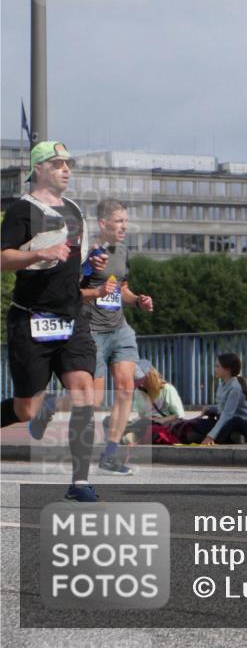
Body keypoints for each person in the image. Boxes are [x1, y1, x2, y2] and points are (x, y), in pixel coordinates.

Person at [0, 141, 104, 502]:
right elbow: (2, 258)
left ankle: (80, 482)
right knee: (25, 407)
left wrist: (93, 269)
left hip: (71, 318)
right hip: (31, 320)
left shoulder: (74, 210)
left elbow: (76, 266)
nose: (66, 169)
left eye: (68, 163)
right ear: (39, 169)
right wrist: (39, 253)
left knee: (83, 394)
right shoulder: (21, 211)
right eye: (58, 163)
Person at [71, 199, 153, 476]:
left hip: (120, 329)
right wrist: (95, 292)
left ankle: (110, 454)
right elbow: (69, 292)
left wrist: (137, 300)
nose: (124, 227)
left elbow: (122, 288)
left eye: (126, 222)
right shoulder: (87, 253)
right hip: (91, 330)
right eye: (119, 221)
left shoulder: (123, 252)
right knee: (91, 401)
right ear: (103, 223)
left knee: (126, 387)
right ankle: (49, 405)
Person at [121, 360, 185, 444]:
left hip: (162, 424)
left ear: (150, 376)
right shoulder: (139, 391)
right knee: (112, 422)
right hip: (145, 422)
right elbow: (142, 414)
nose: (139, 383)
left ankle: (135, 439)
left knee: (150, 429)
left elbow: (179, 414)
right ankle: (131, 438)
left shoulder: (167, 389)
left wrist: (162, 420)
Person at [201, 353, 247, 445]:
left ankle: (231, 437)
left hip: (245, 427)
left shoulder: (235, 388)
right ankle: (233, 437)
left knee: (234, 422)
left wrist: (209, 437)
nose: (215, 369)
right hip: (228, 422)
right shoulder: (222, 386)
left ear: (227, 369)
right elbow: (222, 408)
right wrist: (210, 408)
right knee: (201, 424)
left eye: (217, 366)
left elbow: (227, 414)